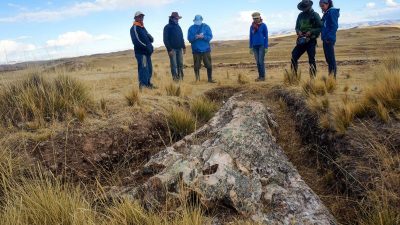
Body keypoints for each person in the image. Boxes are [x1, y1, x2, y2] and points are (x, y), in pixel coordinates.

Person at [291, 0, 322, 78]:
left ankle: (313, 79)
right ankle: (294, 77)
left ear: (309, 6)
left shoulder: (315, 15)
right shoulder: (300, 15)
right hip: (301, 40)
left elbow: (320, 27)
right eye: (303, 8)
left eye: (305, 8)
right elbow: (297, 27)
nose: (304, 9)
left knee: (311, 59)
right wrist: (299, 32)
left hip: (311, 41)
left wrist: (311, 31)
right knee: (294, 55)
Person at [130, 11, 155, 89]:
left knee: (149, 69)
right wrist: (147, 47)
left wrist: (151, 40)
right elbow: (136, 41)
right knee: (143, 69)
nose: (141, 18)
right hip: (141, 53)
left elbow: (148, 38)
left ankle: (148, 84)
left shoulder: (142, 27)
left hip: (147, 53)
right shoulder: (134, 28)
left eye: (142, 17)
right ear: (136, 18)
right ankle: (143, 86)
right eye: (140, 17)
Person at [187, 15, 216, 83]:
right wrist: (195, 37)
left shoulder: (206, 27)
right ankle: (197, 80)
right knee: (196, 66)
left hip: (206, 49)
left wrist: (203, 36)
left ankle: (210, 79)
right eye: (196, 20)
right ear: (194, 20)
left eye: (199, 20)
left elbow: (210, 37)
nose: (198, 21)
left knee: (208, 65)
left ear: (202, 20)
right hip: (196, 50)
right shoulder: (191, 28)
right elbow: (189, 39)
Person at [163, 12, 186, 81]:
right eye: (176, 18)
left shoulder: (178, 27)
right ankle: (175, 79)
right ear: (172, 18)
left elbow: (181, 38)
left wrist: (184, 47)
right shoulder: (167, 27)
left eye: (178, 18)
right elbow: (165, 39)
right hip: (172, 49)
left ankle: (181, 77)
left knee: (180, 64)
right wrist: (169, 49)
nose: (177, 20)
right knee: (174, 65)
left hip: (179, 49)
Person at [320, 0, 340, 78]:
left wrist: (328, 37)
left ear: (328, 4)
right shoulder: (327, 13)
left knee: (331, 60)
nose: (322, 8)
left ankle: (332, 79)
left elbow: (334, 26)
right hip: (325, 39)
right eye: (321, 6)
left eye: (323, 6)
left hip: (328, 39)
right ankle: (331, 77)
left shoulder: (332, 12)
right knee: (328, 60)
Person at [249, 12, 269, 82]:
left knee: (261, 61)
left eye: (257, 18)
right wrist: (250, 47)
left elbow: (266, 36)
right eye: (254, 18)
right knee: (257, 62)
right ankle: (260, 76)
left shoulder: (263, 25)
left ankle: (262, 77)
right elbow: (251, 37)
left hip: (261, 46)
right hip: (254, 46)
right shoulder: (252, 26)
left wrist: (266, 47)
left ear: (260, 17)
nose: (256, 20)